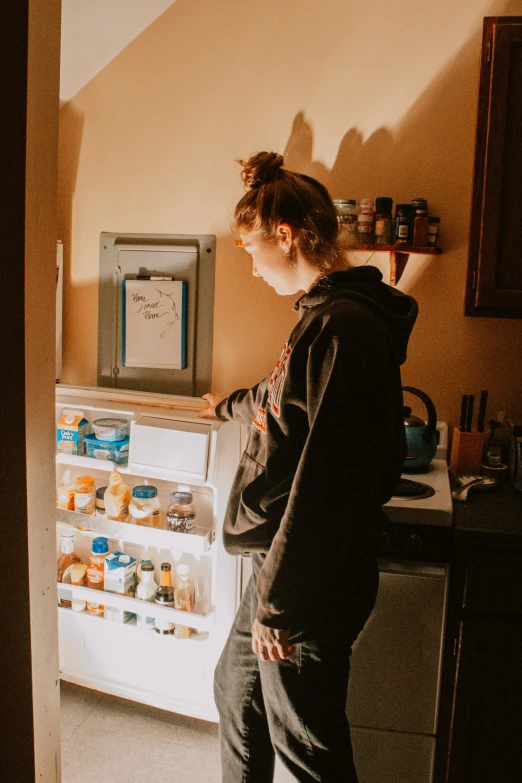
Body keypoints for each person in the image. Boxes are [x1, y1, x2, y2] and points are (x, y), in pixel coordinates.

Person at [199, 151, 418, 782]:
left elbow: (328, 484)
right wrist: (227, 407)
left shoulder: (344, 328)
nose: (251, 266)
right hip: (284, 566)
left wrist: (281, 604)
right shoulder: (323, 318)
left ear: (286, 236)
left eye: (249, 250)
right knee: (237, 694)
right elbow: (281, 401)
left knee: (304, 740)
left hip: (311, 574)